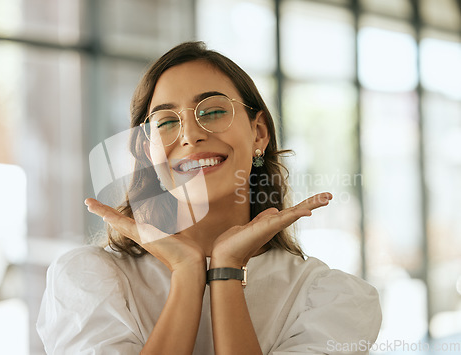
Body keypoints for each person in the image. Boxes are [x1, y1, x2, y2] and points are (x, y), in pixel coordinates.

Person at [37, 41, 381, 355]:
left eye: (213, 112)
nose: (190, 135)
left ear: (258, 133)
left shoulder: (329, 299)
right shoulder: (87, 281)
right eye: (166, 122)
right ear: (148, 153)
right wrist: (187, 273)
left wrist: (226, 271)